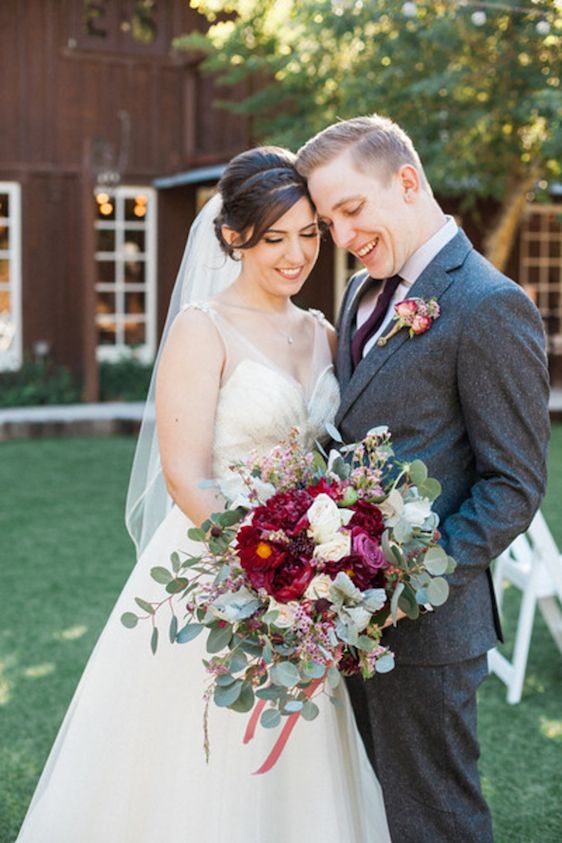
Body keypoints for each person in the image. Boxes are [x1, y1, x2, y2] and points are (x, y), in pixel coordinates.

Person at [16, 147, 391, 843]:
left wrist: (325, 566)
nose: (295, 253)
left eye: (308, 233)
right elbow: (188, 478)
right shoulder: (202, 328)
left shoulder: (324, 332)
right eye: (275, 236)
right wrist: (277, 570)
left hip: (309, 585)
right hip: (223, 569)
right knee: (203, 762)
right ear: (233, 236)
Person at [296, 114, 550, 842]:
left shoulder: (489, 304)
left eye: (350, 211)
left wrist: (404, 583)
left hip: (430, 627)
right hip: (350, 619)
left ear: (407, 182)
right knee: (373, 814)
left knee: (436, 821)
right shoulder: (357, 295)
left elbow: (514, 484)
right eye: (327, 220)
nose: (340, 237)